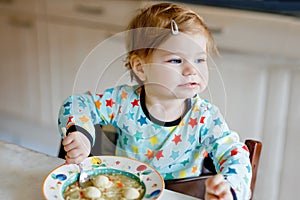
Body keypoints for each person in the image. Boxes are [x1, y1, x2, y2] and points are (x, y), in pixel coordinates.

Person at [58, 2, 252, 200]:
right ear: (141, 68)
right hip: (127, 192)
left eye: (200, 60)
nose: (192, 70)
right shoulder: (122, 102)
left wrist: (229, 190)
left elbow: (235, 155)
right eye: (176, 60)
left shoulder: (204, 118)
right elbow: (77, 104)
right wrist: (81, 134)